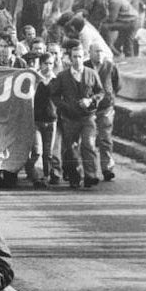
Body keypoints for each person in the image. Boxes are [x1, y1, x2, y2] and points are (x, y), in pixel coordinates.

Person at [49, 40, 104, 189]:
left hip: (87, 117)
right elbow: (54, 95)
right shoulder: (63, 76)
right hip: (69, 118)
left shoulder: (91, 73)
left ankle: (90, 175)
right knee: (70, 149)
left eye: (80, 56)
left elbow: (100, 92)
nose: (77, 60)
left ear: (83, 56)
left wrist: (91, 100)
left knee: (89, 144)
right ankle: (74, 176)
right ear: (69, 58)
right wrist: (65, 106)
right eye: (74, 57)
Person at [84, 44, 120, 181]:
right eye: (96, 51)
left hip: (105, 108)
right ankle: (90, 171)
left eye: (101, 51)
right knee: (89, 140)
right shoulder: (85, 66)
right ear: (90, 52)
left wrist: (110, 97)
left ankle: (107, 168)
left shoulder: (110, 66)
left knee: (105, 138)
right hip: (89, 109)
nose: (99, 54)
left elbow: (117, 84)